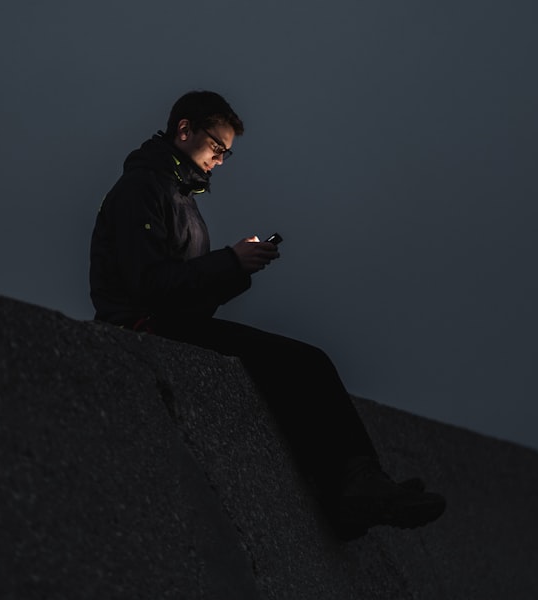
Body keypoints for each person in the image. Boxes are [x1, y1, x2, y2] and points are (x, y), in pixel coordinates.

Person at [89, 90, 446, 541]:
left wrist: (238, 269)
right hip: (141, 329)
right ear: (184, 130)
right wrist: (230, 263)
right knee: (303, 363)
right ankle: (354, 488)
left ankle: (357, 483)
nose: (220, 160)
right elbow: (149, 286)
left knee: (300, 364)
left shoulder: (183, 202)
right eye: (216, 147)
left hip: (171, 324)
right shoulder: (141, 189)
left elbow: (189, 300)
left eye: (226, 154)